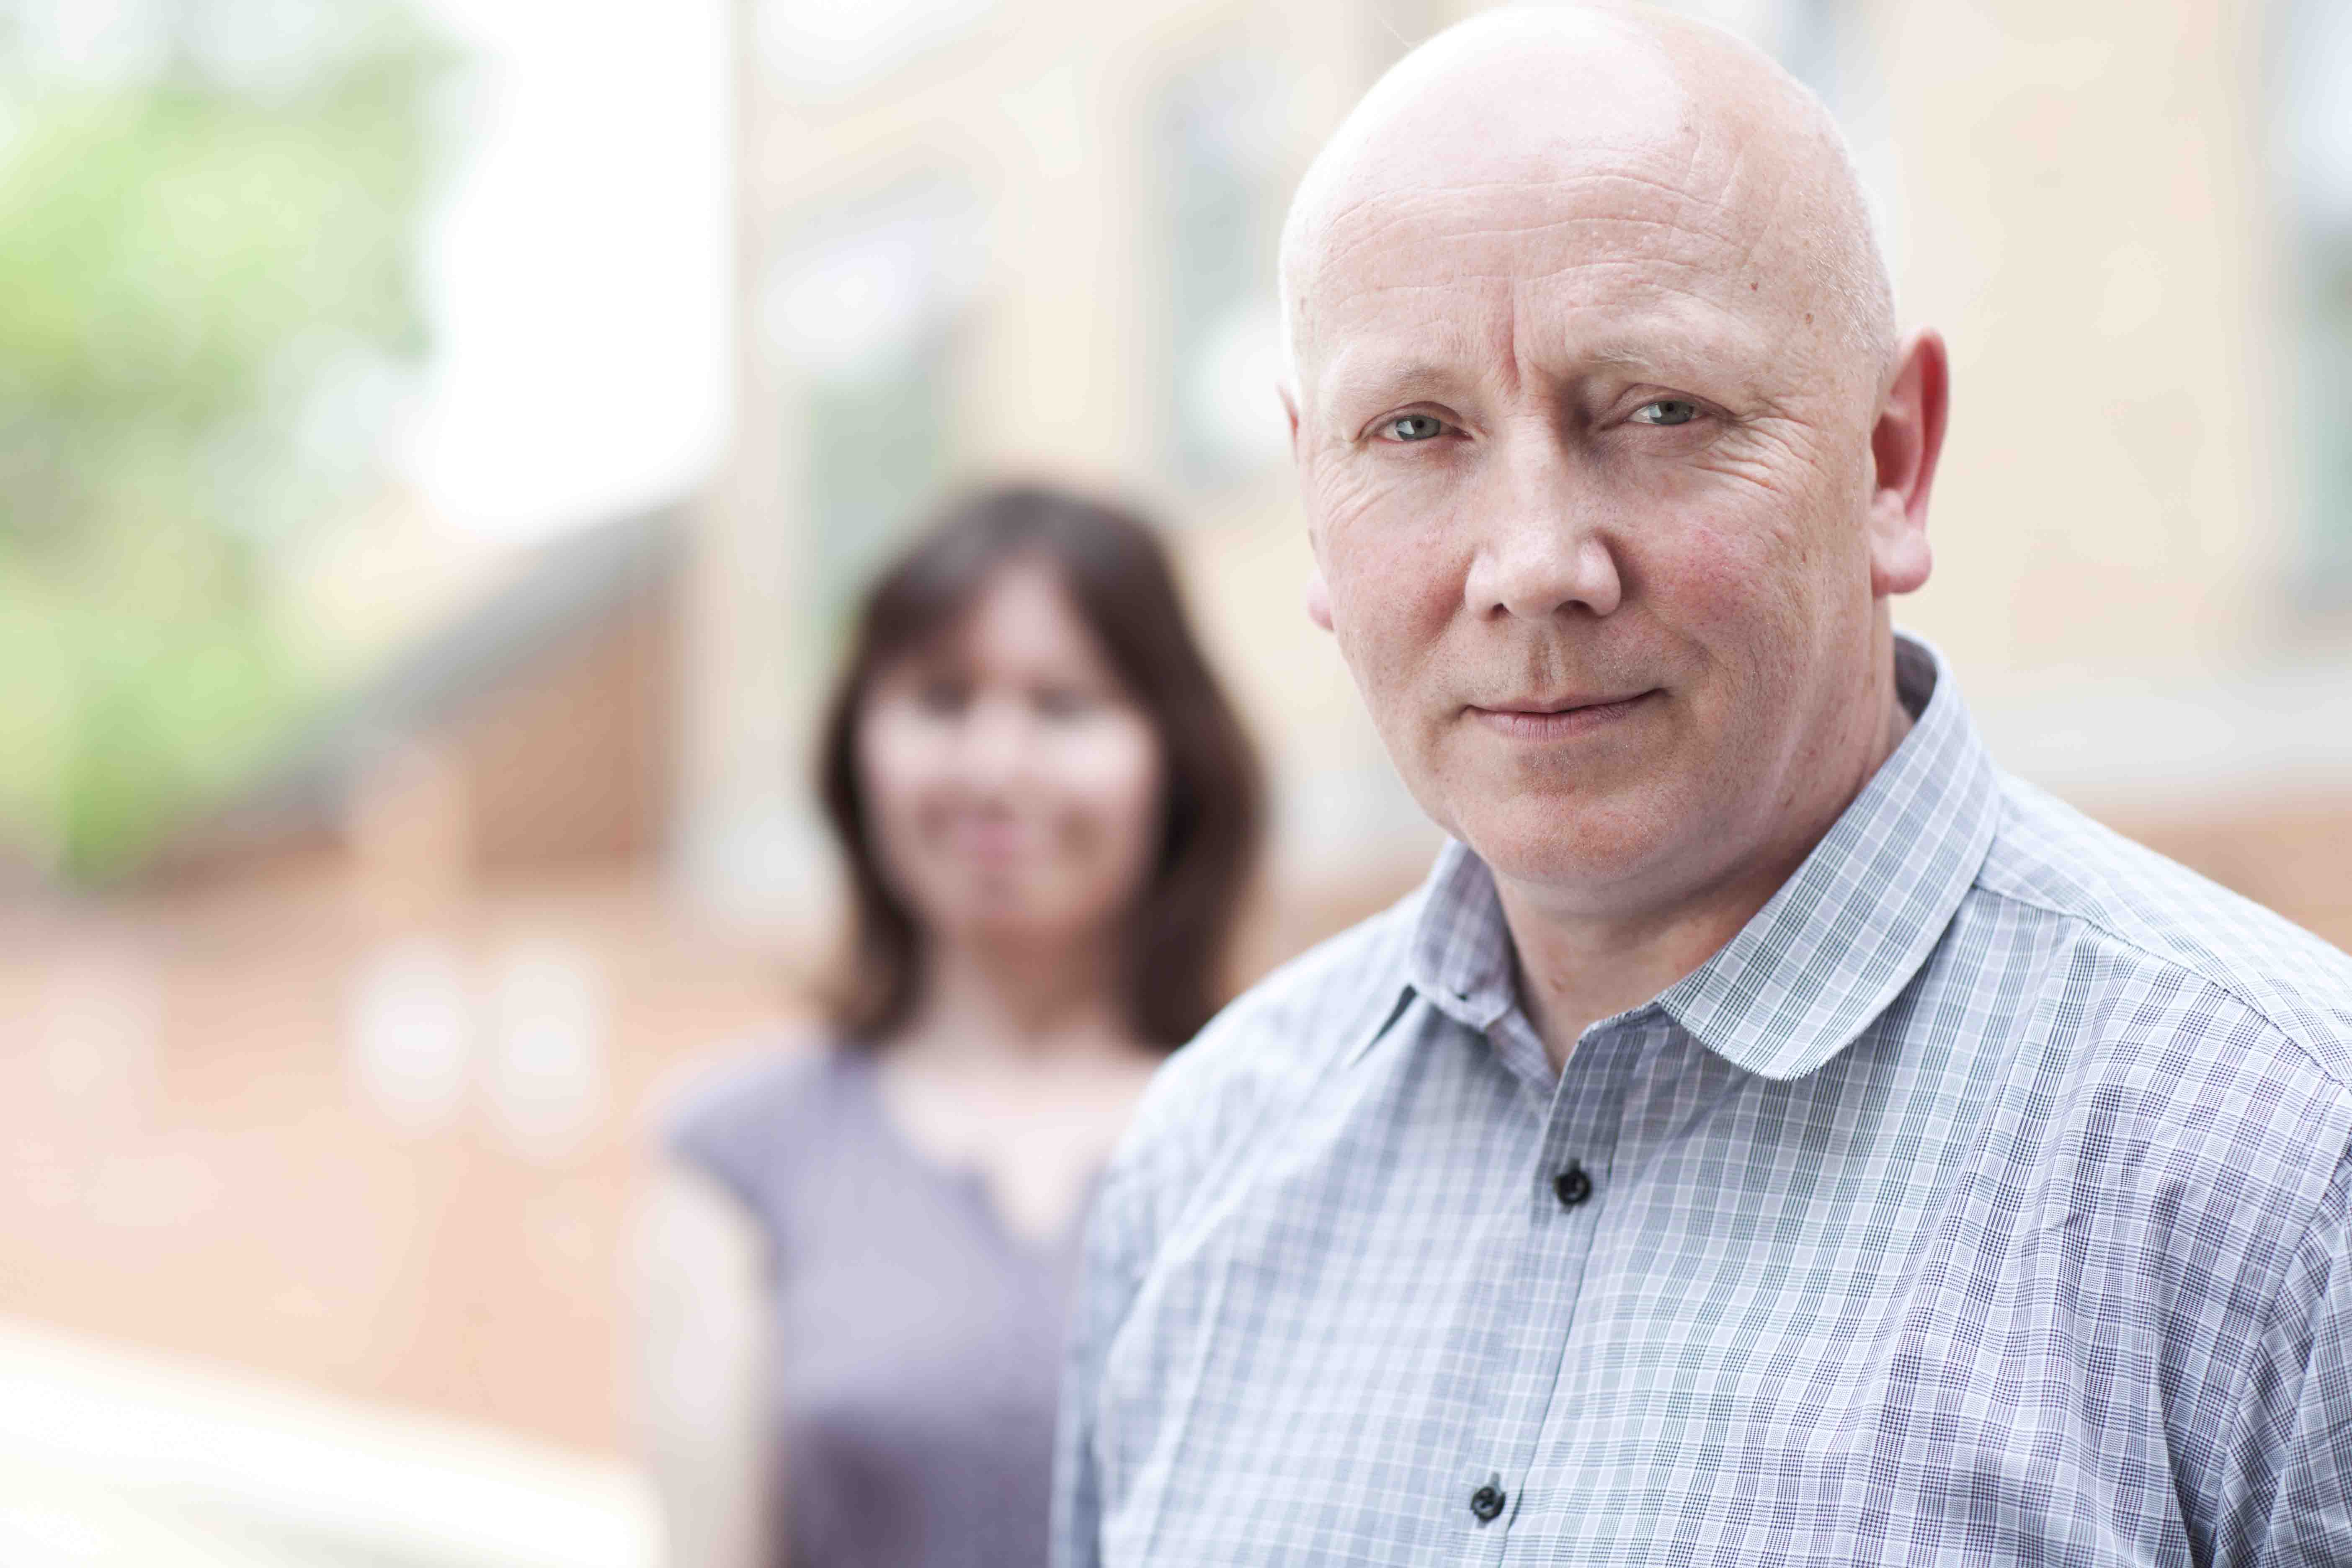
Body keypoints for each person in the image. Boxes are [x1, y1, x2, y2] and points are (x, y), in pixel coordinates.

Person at [1052, 8, 2352, 1567]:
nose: (1536, 566)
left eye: (1661, 412)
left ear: (1890, 463)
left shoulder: (2286, 1186)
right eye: (1415, 430)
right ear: (1314, 500)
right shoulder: (1200, 1165)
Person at [633, 484, 1260, 1568]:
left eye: (1064, 706)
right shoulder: (738, 1154)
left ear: (1176, 757)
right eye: (940, 700)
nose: (994, 769)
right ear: (856, 754)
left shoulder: (1290, 1126)